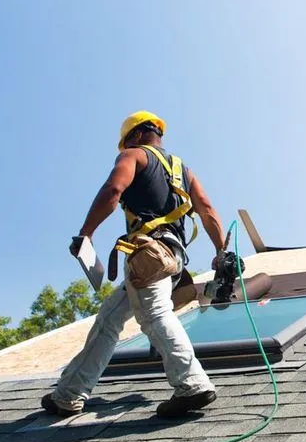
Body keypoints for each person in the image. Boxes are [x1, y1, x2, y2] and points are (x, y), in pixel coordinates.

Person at [42, 110, 226, 418]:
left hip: (149, 254)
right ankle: (68, 394)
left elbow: (113, 190)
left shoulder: (134, 155)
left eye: (126, 141)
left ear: (137, 135)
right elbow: (207, 209)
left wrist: (86, 234)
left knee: (154, 314)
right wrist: (221, 251)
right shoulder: (184, 170)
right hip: (173, 257)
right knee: (109, 319)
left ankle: (192, 383)